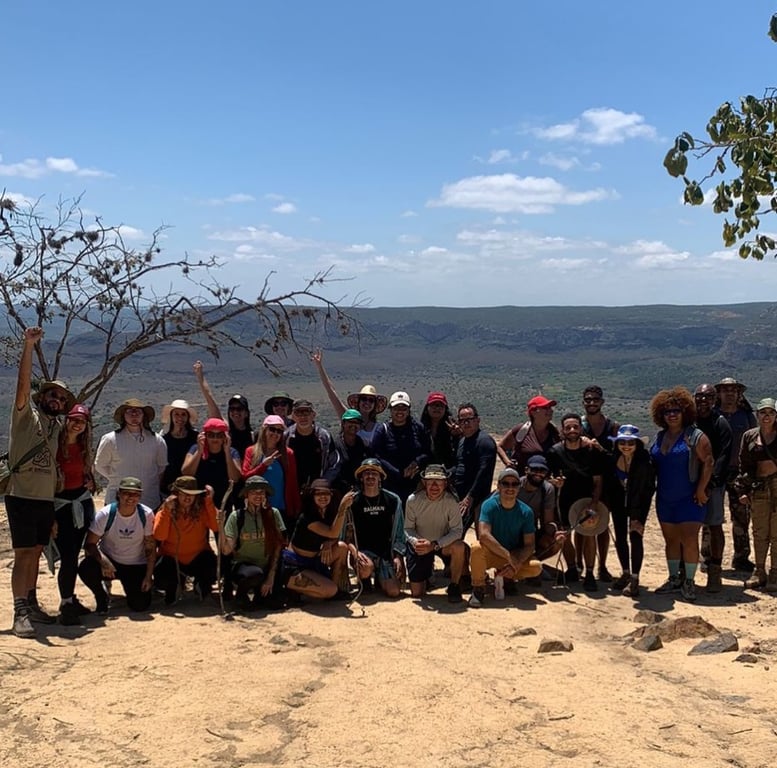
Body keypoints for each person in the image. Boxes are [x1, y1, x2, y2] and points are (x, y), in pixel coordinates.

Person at [4, 326, 75, 638]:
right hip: (22, 496)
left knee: (35, 551)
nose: (57, 400)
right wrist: (28, 348)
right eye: (52, 395)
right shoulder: (25, 416)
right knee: (23, 554)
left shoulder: (56, 427)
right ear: (41, 397)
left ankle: (31, 603)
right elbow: (22, 386)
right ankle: (20, 611)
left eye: (61, 397)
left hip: (44, 501)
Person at [649, 387, 714, 602]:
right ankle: (674, 577)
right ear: (661, 415)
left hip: (689, 498)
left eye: (676, 410)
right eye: (667, 411)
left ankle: (689, 582)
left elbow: (708, 463)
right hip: (665, 498)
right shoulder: (660, 437)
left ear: (685, 411)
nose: (672, 414)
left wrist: (701, 489)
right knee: (670, 540)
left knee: (689, 539)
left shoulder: (695, 436)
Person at [77, 477, 156, 614]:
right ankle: (101, 596)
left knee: (140, 605)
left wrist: (148, 576)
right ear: (119, 493)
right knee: (86, 567)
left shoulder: (146, 514)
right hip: (110, 563)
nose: (131, 497)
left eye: (136, 494)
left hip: (135, 564)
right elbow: (89, 544)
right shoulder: (106, 514)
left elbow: (150, 548)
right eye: (127, 493)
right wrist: (103, 561)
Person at [546, 413, 605, 591]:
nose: (572, 430)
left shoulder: (591, 451)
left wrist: (594, 503)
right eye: (568, 427)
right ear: (562, 430)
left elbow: (598, 481)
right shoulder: (554, 452)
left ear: (581, 428)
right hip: (563, 500)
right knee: (564, 536)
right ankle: (572, 568)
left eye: (575, 427)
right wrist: (554, 482)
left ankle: (588, 573)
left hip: (586, 500)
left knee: (589, 535)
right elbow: (548, 477)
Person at [468, 468, 543, 608]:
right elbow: (484, 535)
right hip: (494, 553)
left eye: (514, 484)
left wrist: (517, 562)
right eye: (505, 483)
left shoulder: (526, 512)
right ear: (499, 486)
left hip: (513, 554)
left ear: (519, 487)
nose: (510, 487)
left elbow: (530, 545)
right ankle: (478, 588)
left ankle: (507, 578)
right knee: (476, 548)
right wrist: (508, 556)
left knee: (536, 567)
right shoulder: (489, 505)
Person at [54, 404, 97, 626]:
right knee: (68, 557)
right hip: (61, 508)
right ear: (67, 420)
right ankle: (66, 604)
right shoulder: (53, 447)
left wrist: (88, 480)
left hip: (81, 504)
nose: (77, 424)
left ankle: (70, 599)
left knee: (77, 554)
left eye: (82, 421)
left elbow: (85, 472)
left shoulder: (83, 447)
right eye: (74, 419)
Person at [220, 475, 287, 609]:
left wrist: (271, 576)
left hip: (267, 566)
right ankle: (241, 594)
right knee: (254, 574)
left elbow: (278, 546)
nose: (258, 495)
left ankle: (260, 594)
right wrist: (220, 526)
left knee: (275, 603)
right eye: (253, 492)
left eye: (261, 492)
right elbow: (227, 550)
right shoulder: (237, 517)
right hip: (243, 567)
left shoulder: (273, 514)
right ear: (246, 495)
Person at [404, 464, 467, 602]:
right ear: (424, 483)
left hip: (442, 544)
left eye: (438, 482)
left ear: (445, 483)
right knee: (417, 593)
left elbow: (457, 531)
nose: (434, 486)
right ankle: (427, 574)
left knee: (459, 546)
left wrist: (434, 545)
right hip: (420, 544)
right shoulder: (412, 500)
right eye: (430, 481)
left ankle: (454, 585)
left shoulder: (451, 501)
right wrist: (417, 542)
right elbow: (408, 528)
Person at [153, 476, 220, 604]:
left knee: (210, 562)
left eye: (191, 494)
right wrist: (167, 511)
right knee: (163, 571)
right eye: (183, 494)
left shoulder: (203, 509)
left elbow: (216, 527)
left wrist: (209, 501)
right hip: (172, 559)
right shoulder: (165, 510)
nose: (187, 498)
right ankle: (174, 587)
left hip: (197, 557)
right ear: (176, 494)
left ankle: (201, 587)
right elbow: (159, 536)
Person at [606, 425, 655, 598]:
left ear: (637, 444)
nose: (626, 446)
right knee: (620, 538)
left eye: (630, 442)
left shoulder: (644, 463)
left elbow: (643, 490)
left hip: (639, 504)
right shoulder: (613, 458)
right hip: (619, 504)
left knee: (636, 537)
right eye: (622, 442)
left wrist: (636, 517)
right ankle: (625, 572)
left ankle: (635, 578)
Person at [346, 459, 406, 597]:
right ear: (361, 477)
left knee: (394, 592)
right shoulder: (352, 501)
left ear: (380, 477)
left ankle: (381, 577)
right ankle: (365, 581)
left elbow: (399, 531)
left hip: (385, 553)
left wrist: (398, 556)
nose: (370, 477)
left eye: (374, 473)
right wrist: (355, 553)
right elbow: (346, 534)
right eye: (366, 473)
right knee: (365, 568)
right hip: (363, 551)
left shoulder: (393, 499)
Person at [94, 398, 168, 510]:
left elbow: (161, 467)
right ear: (123, 415)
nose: (134, 414)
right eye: (129, 411)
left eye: (138, 411)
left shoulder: (157, 440)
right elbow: (100, 465)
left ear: (144, 416)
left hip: (149, 501)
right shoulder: (110, 439)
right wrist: (117, 478)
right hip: (116, 501)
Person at [283, 479, 351, 600]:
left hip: (315, 560)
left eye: (326, 493)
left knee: (342, 548)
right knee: (329, 590)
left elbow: (335, 536)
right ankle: (293, 588)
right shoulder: (306, 517)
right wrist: (343, 508)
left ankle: (335, 590)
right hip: (296, 564)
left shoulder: (329, 513)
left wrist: (329, 543)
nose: (323, 497)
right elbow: (333, 532)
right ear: (312, 496)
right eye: (318, 494)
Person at [693, 383, 733, 593]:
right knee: (689, 527)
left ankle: (715, 571)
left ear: (714, 399)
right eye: (699, 396)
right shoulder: (691, 422)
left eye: (707, 396)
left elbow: (724, 456)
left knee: (715, 525)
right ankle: (686, 571)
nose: (702, 400)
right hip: (690, 481)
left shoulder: (720, 423)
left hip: (714, 484)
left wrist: (710, 483)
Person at [716, 376, 757, 572]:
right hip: (716, 472)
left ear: (739, 393)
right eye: (726, 390)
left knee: (741, 516)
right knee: (712, 517)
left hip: (739, 473)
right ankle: (709, 557)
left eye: (733, 390)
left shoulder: (746, 416)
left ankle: (741, 557)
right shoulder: (713, 415)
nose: (729, 393)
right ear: (719, 393)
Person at [581, 385, 621, 583]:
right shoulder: (577, 426)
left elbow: (619, 455)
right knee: (580, 523)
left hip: (607, 482)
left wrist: (600, 449)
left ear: (602, 402)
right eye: (588, 400)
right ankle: (580, 566)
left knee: (602, 525)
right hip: (581, 481)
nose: (591, 403)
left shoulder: (613, 427)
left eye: (595, 399)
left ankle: (602, 566)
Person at [737, 398, 777, 591]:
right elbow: (743, 465)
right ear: (757, 415)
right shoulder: (749, 436)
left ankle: (775, 573)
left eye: (770, 412)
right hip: (758, 487)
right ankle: (759, 570)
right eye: (763, 412)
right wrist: (743, 490)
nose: (767, 416)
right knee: (759, 532)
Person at [310, 348, 386, 444]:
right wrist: (319, 366)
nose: (367, 402)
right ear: (358, 401)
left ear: (375, 404)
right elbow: (331, 392)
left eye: (371, 400)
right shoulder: (347, 416)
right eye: (364, 399)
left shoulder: (379, 428)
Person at [371, 391, 432, 503]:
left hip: (415, 485)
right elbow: (377, 455)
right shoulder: (382, 430)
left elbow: (428, 451)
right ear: (390, 410)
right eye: (396, 408)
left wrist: (417, 463)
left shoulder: (418, 428)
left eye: (403, 408)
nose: (400, 412)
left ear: (409, 410)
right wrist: (397, 473)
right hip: (390, 485)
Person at [242, 414, 301, 529]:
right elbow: (245, 477)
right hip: (256, 508)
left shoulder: (287, 454)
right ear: (264, 430)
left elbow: (292, 482)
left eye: (279, 431)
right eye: (272, 429)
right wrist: (263, 465)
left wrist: (297, 507)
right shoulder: (251, 451)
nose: (275, 434)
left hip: (281, 508)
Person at [450, 402, 497, 533]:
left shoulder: (484, 442)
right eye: (462, 420)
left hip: (475, 501)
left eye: (469, 419)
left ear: (477, 420)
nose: (466, 423)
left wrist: (469, 497)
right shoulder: (462, 441)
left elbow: (484, 472)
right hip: (459, 497)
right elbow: (459, 466)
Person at [194, 360, 254, 459]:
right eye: (232, 409)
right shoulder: (225, 430)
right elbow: (210, 399)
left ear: (246, 413)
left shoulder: (253, 436)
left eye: (239, 409)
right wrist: (200, 377)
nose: (235, 412)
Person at [181, 417, 242, 509]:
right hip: (199, 503)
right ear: (205, 436)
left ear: (225, 437)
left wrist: (227, 453)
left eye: (219, 435)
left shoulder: (232, 452)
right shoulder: (195, 449)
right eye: (211, 435)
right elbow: (186, 472)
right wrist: (199, 451)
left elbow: (235, 478)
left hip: (223, 504)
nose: (215, 438)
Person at [285, 399, 340, 490]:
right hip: (292, 488)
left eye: (306, 412)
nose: (303, 417)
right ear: (293, 416)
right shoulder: (286, 437)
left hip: (318, 490)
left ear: (313, 415)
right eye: (298, 413)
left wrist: (325, 480)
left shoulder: (324, 437)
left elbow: (335, 462)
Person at [497, 395, 560, 474]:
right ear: (533, 412)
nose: (550, 410)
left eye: (550, 408)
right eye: (545, 408)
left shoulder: (555, 433)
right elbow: (500, 447)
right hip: (522, 482)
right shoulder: (521, 430)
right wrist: (507, 462)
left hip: (546, 482)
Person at [516, 455, 561, 565]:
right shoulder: (515, 485)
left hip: (531, 531)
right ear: (527, 470)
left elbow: (548, 521)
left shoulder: (548, 489)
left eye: (542, 471)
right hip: (511, 531)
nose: (538, 474)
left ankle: (529, 563)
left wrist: (555, 532)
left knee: (555, 542)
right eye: (535, 469)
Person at [159, 398, 199, 496]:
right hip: (168, 488)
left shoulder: (196, 438)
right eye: (176, 414)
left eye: (183, 414)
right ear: (171, 417)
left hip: (190, 488)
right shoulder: (163, 439)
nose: (180, 418)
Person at [332, 409, 370, 495]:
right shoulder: (334, 445)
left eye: (357, 422)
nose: (353, 425)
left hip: (360, 491)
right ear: (343, 424)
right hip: (338, 492)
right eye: (350, 422)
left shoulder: (364, 446)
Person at [420, 392, 459, 469]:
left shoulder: (453, 427)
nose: (437, 408)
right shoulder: (420, 428)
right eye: (434, 405)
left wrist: (457, 435)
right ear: (427, 408)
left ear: (445, 409)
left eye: (440, 406)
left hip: (448, 470)